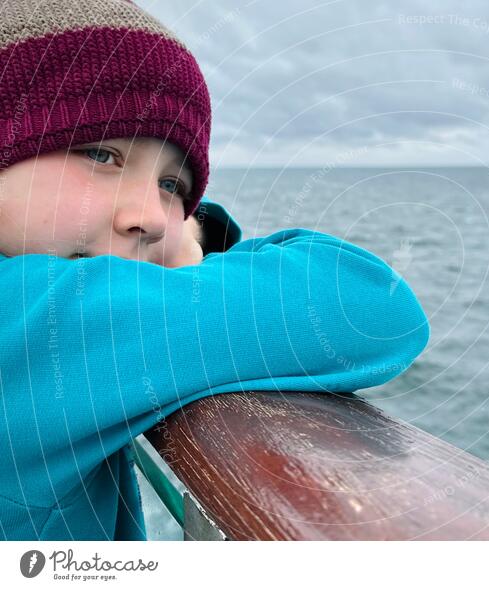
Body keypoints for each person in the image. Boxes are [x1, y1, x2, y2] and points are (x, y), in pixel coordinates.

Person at [0, 1, 429, 540]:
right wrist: (197, 239)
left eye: (172, 185)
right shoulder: (35, 319)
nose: (153, 220)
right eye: (101, 155)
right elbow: (374, 305)